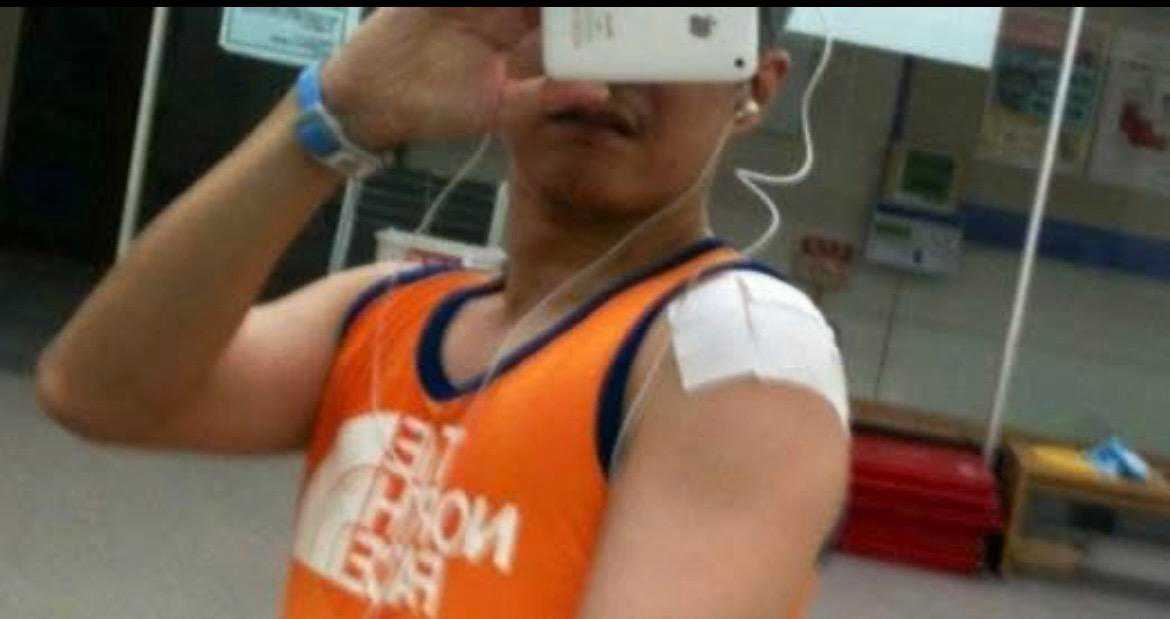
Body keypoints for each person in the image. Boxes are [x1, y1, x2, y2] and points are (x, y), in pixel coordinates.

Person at [36, 7, 849, 618]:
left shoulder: (735, 350)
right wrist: (332, 120)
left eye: (674, 27)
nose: (607, 75)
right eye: (582, 19)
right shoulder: (390, 310)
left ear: (755, 86)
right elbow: (94, 390)